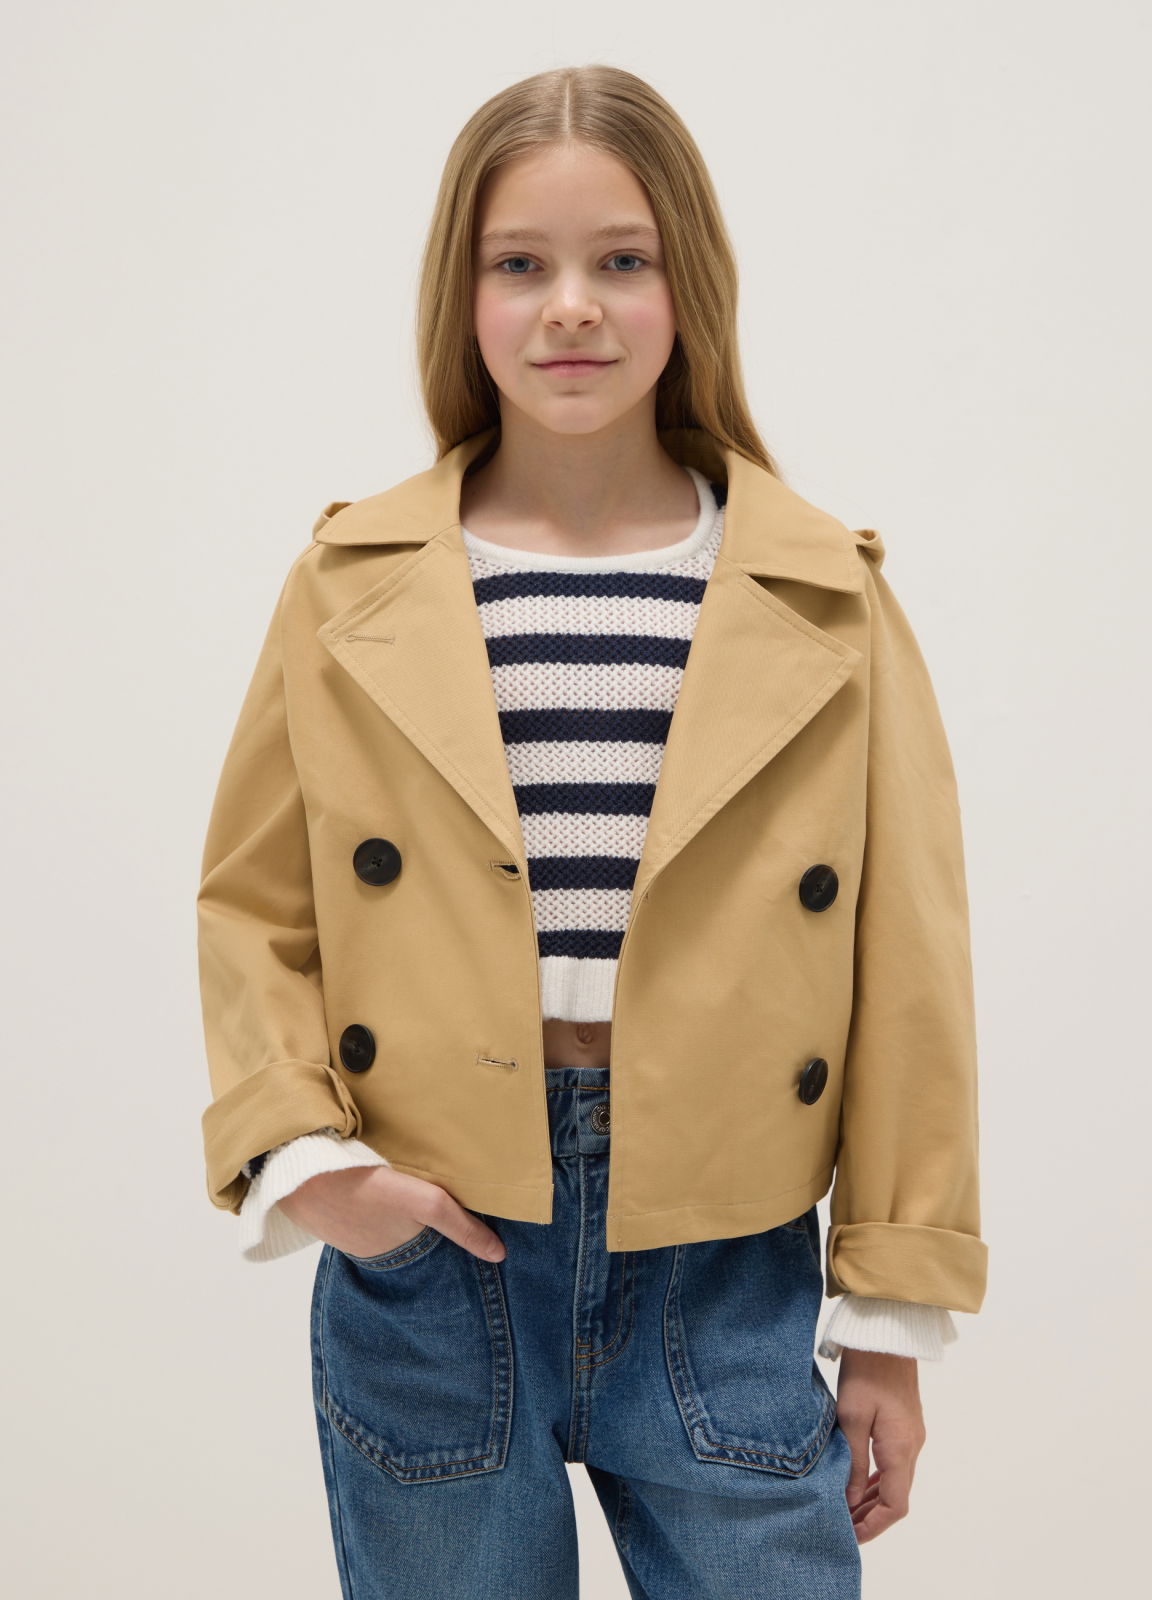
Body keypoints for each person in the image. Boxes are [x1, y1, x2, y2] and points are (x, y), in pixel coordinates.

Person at [196, 64, 985, 1599]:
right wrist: (307, 1162)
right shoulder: (349, 582)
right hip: (434, 1235)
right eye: (521, 263)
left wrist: (890, 1318)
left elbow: (910, 965)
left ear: (691, 286)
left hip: (728, 1244)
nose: (572, 306)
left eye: (623, 259)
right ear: (463, 293)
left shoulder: (823, 589)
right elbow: (254, 905)